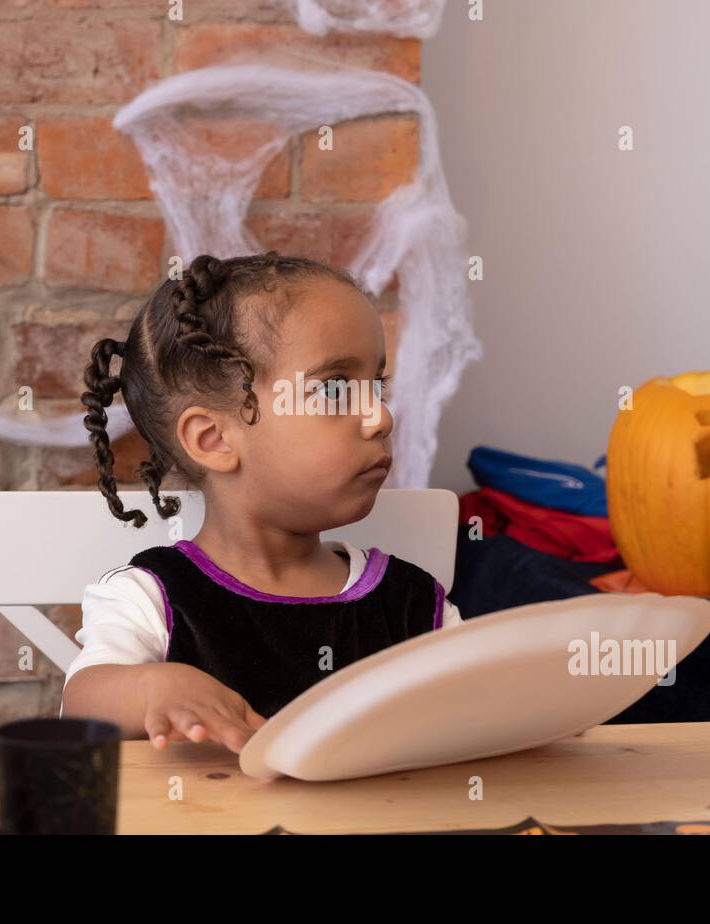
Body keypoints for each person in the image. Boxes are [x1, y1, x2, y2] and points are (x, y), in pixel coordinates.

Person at [61, 252, 462, 753]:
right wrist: (152, 690)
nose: (380, 417)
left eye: (376, 385)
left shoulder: (412, 602)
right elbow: (83, 700)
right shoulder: (154, 599)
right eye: (336, 390)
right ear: (214, 439)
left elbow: (472, 706)